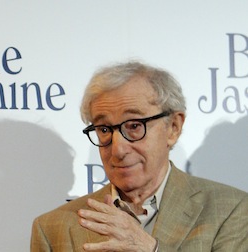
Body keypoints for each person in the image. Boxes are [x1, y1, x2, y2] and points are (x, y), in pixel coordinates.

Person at [30, 61, 248, 251]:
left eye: (134, 125)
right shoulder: (53, 228)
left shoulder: (229, 209)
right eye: (104, 129)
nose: (118, 150)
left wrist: (149, 249)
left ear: (173, 127)